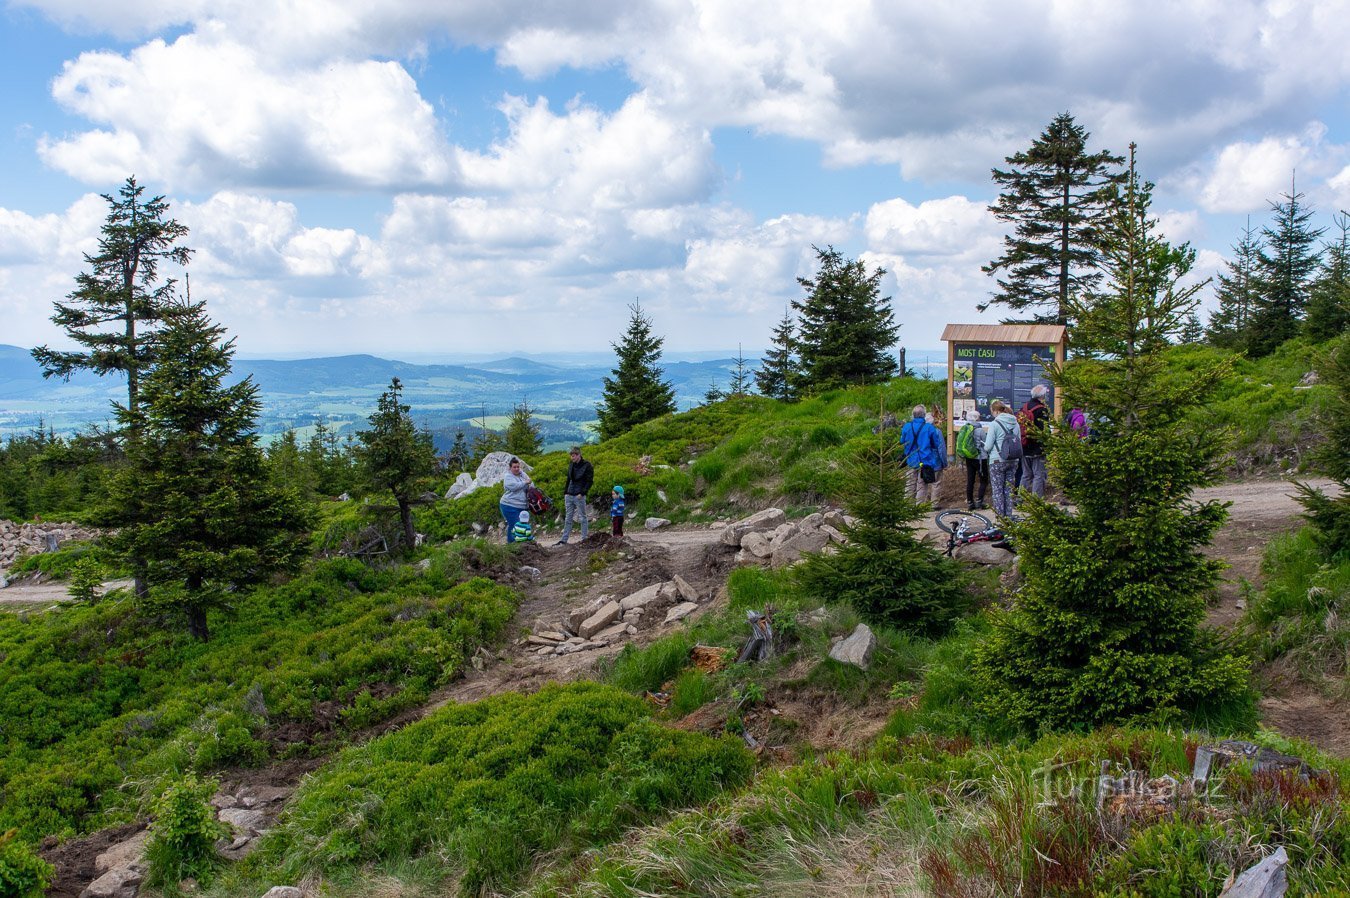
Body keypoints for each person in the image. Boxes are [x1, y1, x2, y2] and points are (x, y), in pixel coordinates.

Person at [901, 404, 945, 506]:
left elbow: (902, 440)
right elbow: (935, 444)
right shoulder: (929, 428)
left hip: (910, 459)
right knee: (922, 484)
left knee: (910, 483)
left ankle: (907, 505)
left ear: (913, 415)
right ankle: (919, 506)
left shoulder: (907, 426)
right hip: (925, 460)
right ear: (924, 415)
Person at [984, 400, 1022, 518]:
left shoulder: (994, 424)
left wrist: (984, 448)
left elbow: (988, 446)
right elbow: (1018, 440)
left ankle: (1000, 518)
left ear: (995, 411)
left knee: (997, 490)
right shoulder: (1015, 423)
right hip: (1013, 459)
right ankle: (1009, 517)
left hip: (997, 460)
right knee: (1008, 490)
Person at [556, 445, 594, 545]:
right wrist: (565, 492)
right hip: (569, 494)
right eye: (571, 456)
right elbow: (569, 479)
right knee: (568, 518)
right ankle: (564, 540)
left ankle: (584, 538)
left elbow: (589, 481)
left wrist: (582, 493)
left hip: (579, 495)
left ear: (579, 455)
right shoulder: (571, 464)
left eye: (573, 456)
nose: (572, 457)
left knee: (582, 517)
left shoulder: (587, 465)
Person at [1018, 384, 1051, 498]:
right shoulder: (1041, 409)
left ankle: (1020, 498)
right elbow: (1044, 429)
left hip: (1024, 444)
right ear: (1042, 396)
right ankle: (1036, 500)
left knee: (1026, 474)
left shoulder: (1025, 407)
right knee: (1038, 475)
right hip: (1037, 447)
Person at [956, 409, 988, 510]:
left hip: (969, 457)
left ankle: (970, 502)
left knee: (970, 480)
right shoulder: (980, 430)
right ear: (976, 419)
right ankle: (979, 501)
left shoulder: (965, 428)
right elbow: (986, 444)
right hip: (980, 458)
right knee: (984, 479)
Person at [500, 457, 532, 543]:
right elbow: (514, 486)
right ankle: (512, 544)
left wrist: (527, 481)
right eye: (514, 467)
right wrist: (525, 482)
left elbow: (531, 484)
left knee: (522, 525)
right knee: (515, 524)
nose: (517, 469)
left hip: (522, 506)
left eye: (518, 467)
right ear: (510, 468)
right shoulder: (508, 477)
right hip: (509, 505)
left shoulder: (523, 475)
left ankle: (522, 544)